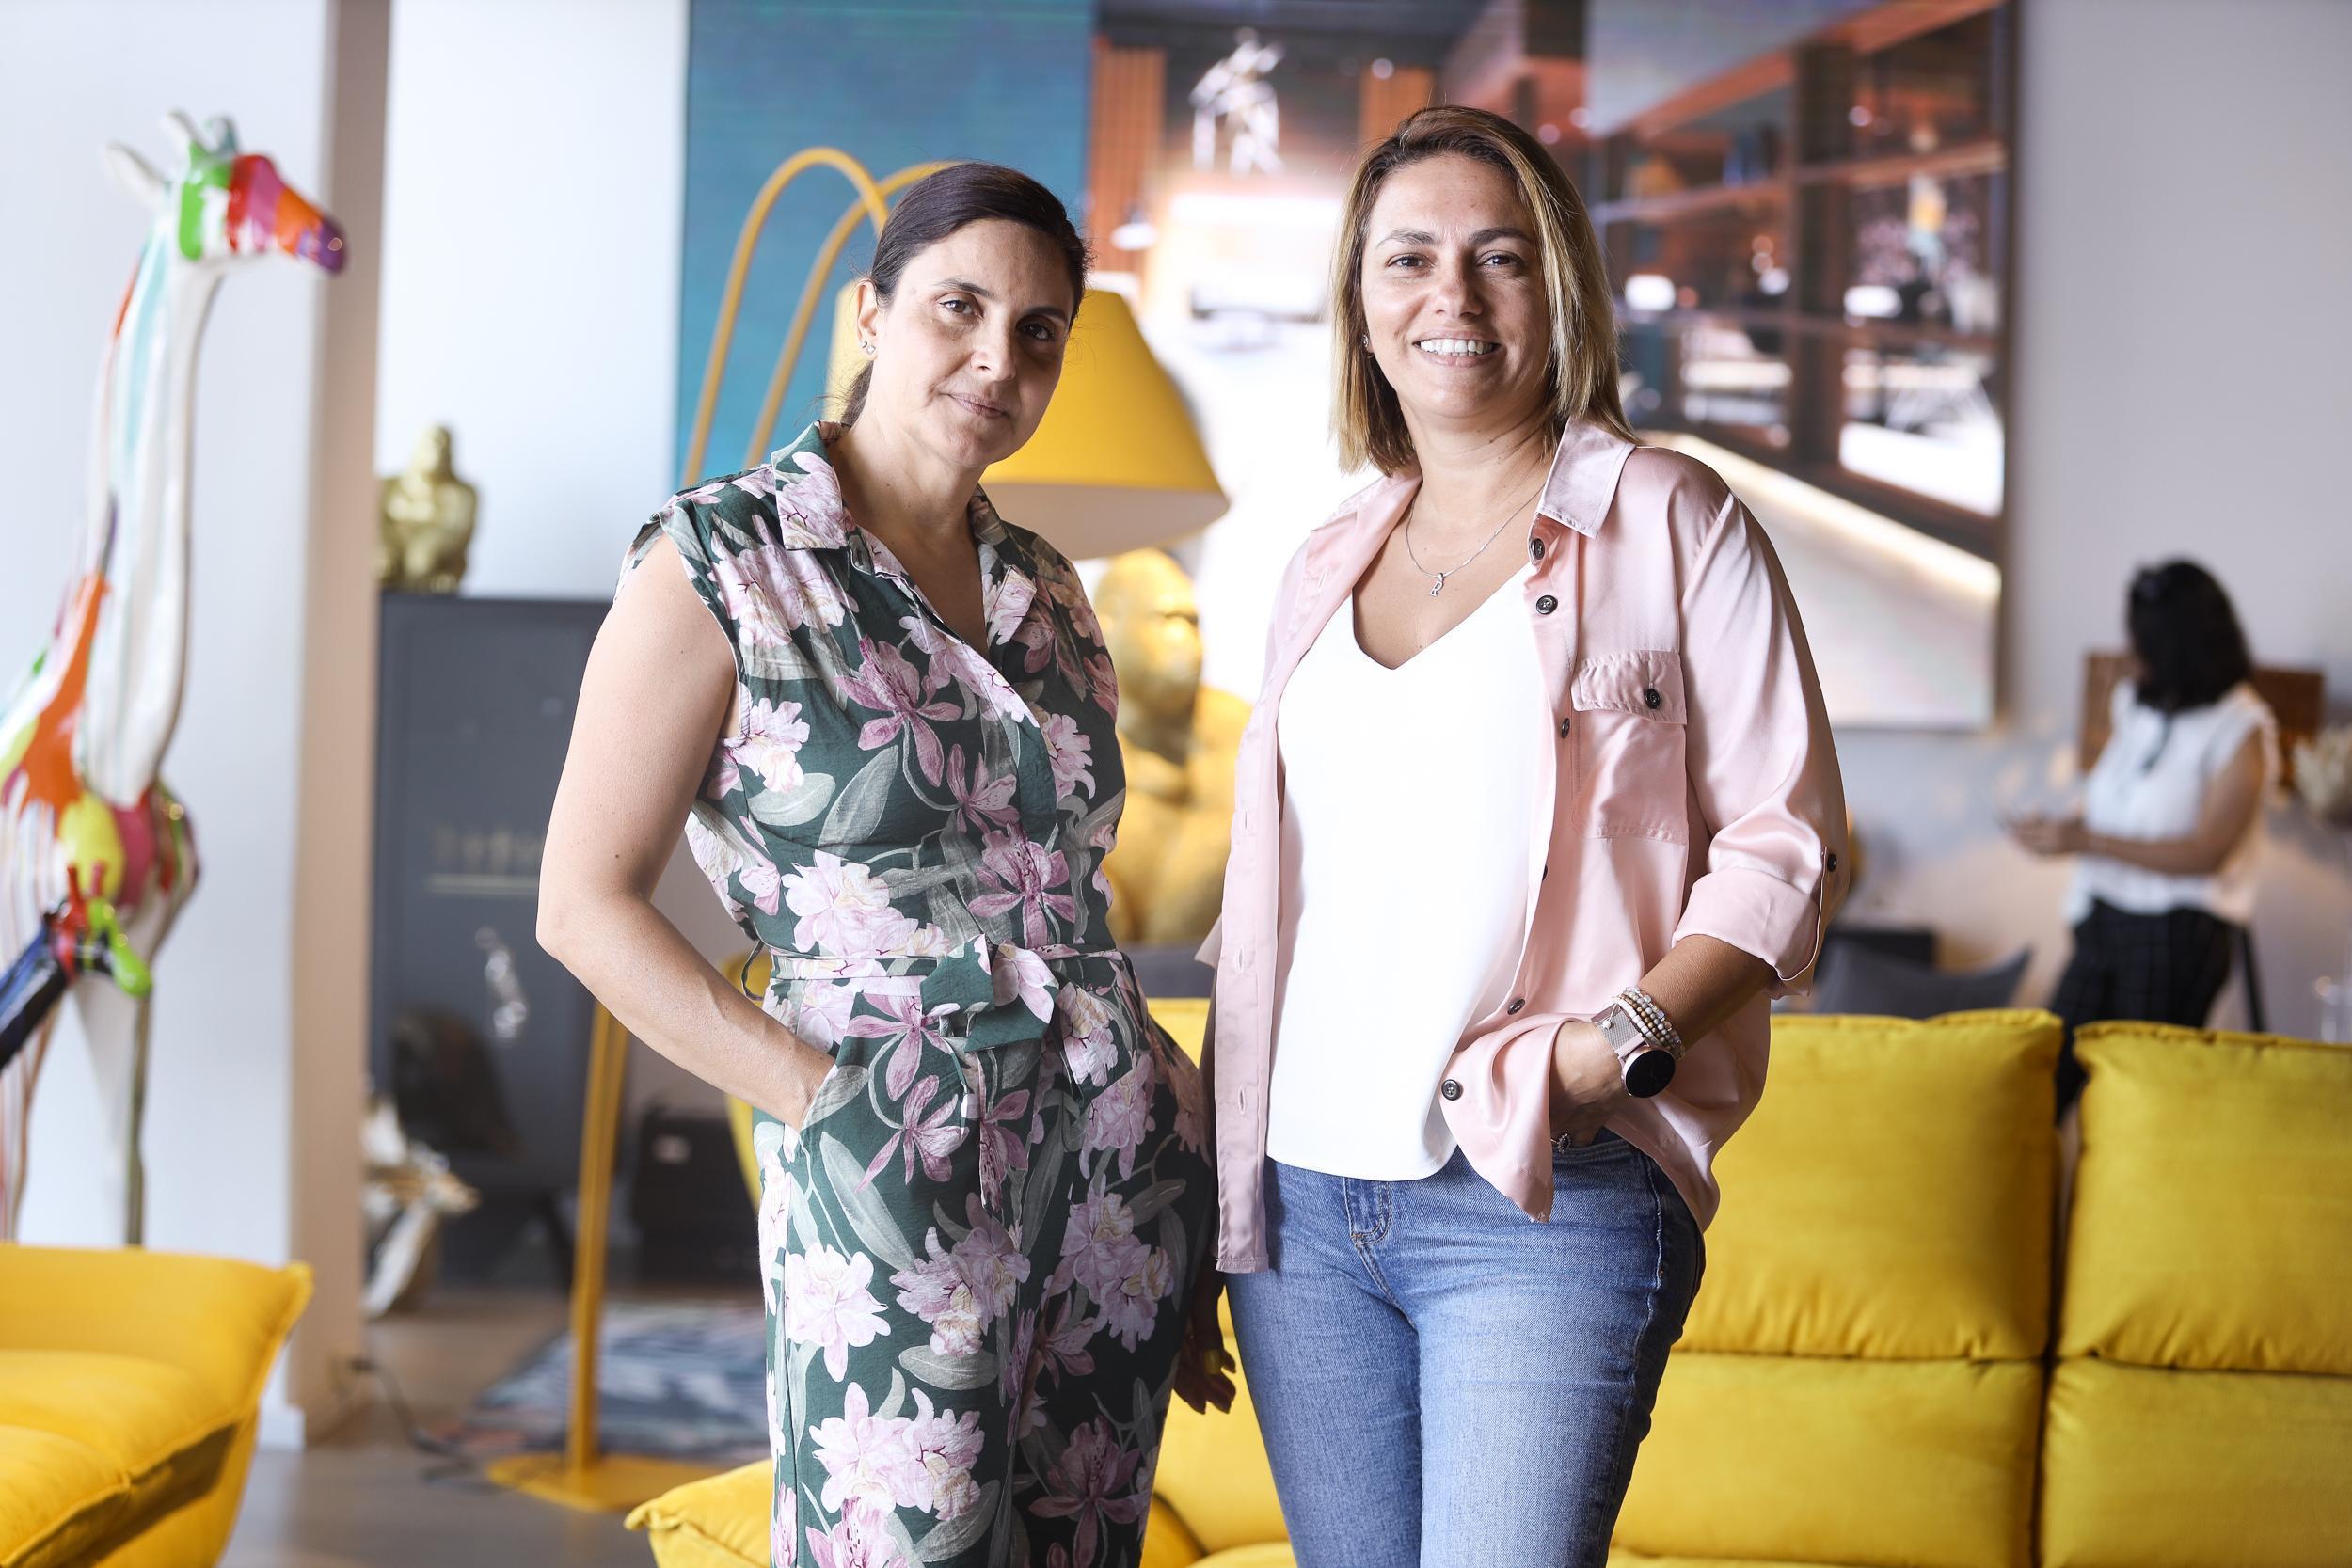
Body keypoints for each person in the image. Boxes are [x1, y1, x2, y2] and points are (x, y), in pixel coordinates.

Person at [538, 163, 1226, 1568]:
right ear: (870, 312)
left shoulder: (1055, 591)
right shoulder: (720, 558)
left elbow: (1076, 895)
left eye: (1039, 332)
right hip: (891, 1157)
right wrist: (824, 1101)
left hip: (1116, 1177)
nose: (997, 359)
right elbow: (580, 907)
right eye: (957, 308)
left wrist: (1186, 1180)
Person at [1195, 106, 1850, 1568]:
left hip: (1542, 1195)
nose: (1454, 295)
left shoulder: (1670, 519)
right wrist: (1213, 1187)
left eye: (1500, 257)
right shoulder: (1322, 560)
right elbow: (1275, 900)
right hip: (1301, 1205)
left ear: (1558, 288)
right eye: (1409, 258)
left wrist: (1611, 1050)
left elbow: (1789, 846)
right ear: (1361, 301)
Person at [2010, 561, 2277, 1112]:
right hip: (2104, 920)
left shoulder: (2241, 728)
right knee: (2042, 1085)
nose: (2129, 652)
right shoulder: (2136, 704)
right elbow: (2120, 802)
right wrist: (2063, 831)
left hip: (2175, 935)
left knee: (2136, 1102)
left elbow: (2206, 852)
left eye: (2141, 641)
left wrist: (2088, 841)